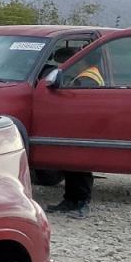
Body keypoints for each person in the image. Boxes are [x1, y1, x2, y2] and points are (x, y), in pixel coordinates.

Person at [46, 59, 105, 219]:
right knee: (71, 164)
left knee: (80, 165)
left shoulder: (89, 78)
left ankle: (81, 203)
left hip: (84, 126)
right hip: (78, 124)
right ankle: (70, 200)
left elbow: (79, 101)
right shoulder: (86, 74)